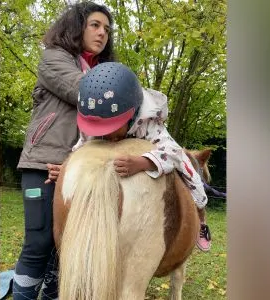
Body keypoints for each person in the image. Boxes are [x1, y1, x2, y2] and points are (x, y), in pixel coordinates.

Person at [13, 2, 115, 300]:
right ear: (76, 27)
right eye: (95, 25)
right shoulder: (54, 59)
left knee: (67, 247)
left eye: (107, 29)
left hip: (79, 171)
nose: (102, 33)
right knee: (39, 242)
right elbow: (85, 91)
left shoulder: (104, 72)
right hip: (42, 166)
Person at [64, 62, 212, 252]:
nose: (108, 137)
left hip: (155, 152)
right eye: (101, 131)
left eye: (111, 129)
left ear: (132, 114)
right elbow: (81, 148)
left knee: (189, 170)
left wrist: (143, 162)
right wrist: (66, 169)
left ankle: (200, 217)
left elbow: (173, 152)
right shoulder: (94, 119)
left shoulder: (148, 123)